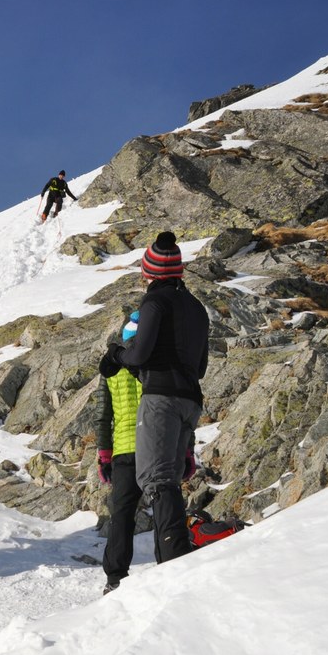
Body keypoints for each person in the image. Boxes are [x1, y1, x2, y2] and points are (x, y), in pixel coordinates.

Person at [102, 231, 208, 564]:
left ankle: (174, 558)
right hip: (191, 399)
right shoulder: (196, 307)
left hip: (161, 396)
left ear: (152, 272)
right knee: (170, 479)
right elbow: (201, 366)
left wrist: (117, 355)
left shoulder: (155, 301)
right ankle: (178, 552)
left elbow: (139, 355)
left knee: (155, 478)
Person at [94, 311, 143, 594]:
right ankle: (171, 566)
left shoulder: (110, 373)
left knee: (122, 514)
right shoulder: (156, 364)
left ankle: (115, 578)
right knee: (164, 507)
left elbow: (103, 417)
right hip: (155, 446)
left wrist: (104, 454)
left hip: (123, 452)